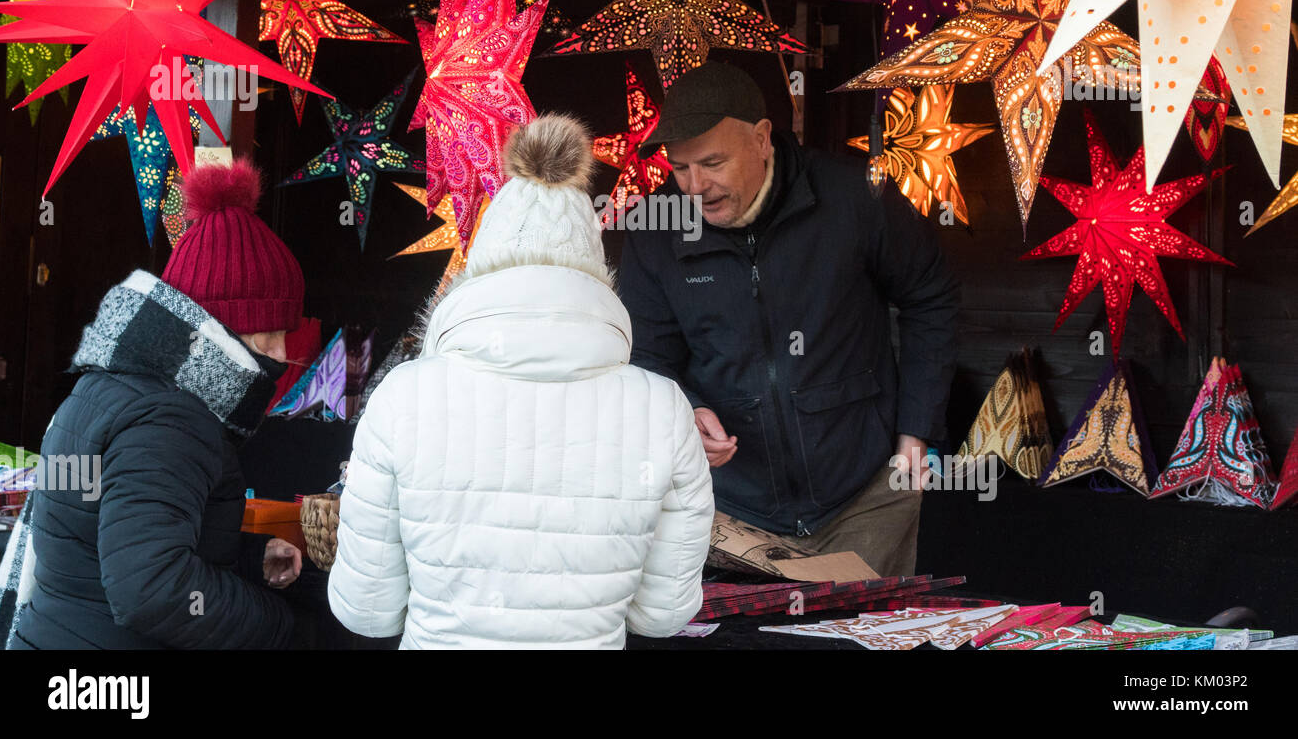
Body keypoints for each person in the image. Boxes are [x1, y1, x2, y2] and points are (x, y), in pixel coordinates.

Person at [328, 114, 714, 649]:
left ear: (483, 263)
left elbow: (368, 611)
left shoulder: (404, 397)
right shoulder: (662, 408)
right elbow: (663, 615)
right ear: (595, 268)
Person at [618, 62, 960, 578]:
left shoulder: (855, 197)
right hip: (731, 508)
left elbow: (930, 296)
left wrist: (917, 429)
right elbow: (645, 356)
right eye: (681, 168)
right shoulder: (652, 231)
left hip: (866, 494)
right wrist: (685, 410)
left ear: (760, 139)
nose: (695, 186)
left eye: (713, 163)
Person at [11, 160, 303, 649]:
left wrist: (250, 558)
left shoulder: (108, 385)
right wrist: (278, 624)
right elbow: (151, 589)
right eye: (270, 335)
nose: (281, 356)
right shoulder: (173, 419)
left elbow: (110, 540)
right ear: (222, 330)